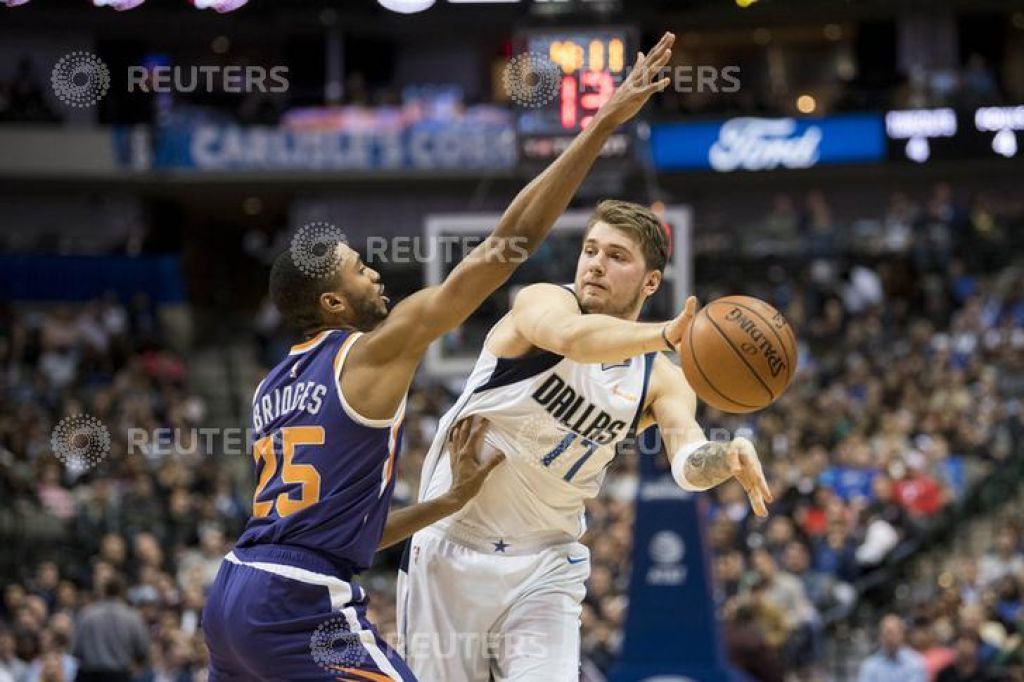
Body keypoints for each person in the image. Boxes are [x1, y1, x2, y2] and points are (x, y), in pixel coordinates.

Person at [201, 31, 678, 682]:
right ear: (334, 305)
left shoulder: (271, 389)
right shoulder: (370, 353)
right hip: (298, 603)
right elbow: (507, 246)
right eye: (359, 271)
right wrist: (599, 126)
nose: (376, 276)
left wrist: (446, 504)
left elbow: (342, 533)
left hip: (232, 594)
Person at [398, 205, 773, 676]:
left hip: (546, 564)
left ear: (651, 282)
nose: (595, 263)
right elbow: (572, 339)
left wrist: (726, 456)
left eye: (617, 256)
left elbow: (688, 459)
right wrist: (662, 334)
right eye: (590, 250)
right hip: (452, 546)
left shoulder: (660, 379)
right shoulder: (541, 302)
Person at [71, 576, 150, 682]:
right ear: (123, 592)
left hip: (89, 674)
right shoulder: (132, 617)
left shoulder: (87, 615)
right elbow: (142, 651)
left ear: (104, 591)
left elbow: (76, 650)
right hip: (119, 675)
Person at [857, 614, 927, 682]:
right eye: (886, 633)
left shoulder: (916, 662)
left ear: (902, 635)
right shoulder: (870, 665)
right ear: (880, 636)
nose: (889, 638)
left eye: (893, 633)